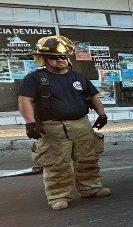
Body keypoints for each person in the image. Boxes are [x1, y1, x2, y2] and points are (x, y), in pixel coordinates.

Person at [17, 36, 110, 210]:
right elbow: (25, 101)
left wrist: (102, 114)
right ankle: (58, 195)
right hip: (53, 127)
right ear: (44, 59)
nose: (60, 60)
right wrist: (30, 123)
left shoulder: (78, 77)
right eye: (54, 57)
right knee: (56, 163)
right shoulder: (35, 78)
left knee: (88, 158)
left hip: (81, 124)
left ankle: (90, 188)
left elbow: (93, 96)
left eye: (63, 56)